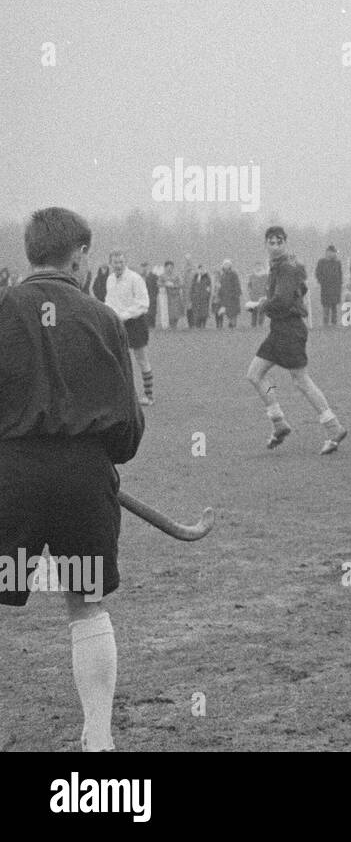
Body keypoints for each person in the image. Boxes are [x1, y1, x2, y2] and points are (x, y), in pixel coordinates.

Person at [0, 207, 145, 752]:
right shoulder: (105, 319)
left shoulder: (2, 309)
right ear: (79, 255)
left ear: (30, 252)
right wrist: (94, 457)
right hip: (83, 480)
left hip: (10, 478)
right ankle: (99, 743)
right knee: (86, 600)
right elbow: (128, 429)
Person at [245, 226, 347, 455]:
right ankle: (279, 422)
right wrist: (268, 300)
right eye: (271, 242)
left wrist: (261, 306)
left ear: (285, 243)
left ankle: (334, 427)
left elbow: (282, 300)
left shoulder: (286, 268)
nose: (275, 246)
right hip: (279, 329)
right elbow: (293, 293)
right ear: (265, 244)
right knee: (255, 374)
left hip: (290, 329)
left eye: (279, 241)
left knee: (301, 380)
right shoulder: (283, 266)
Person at [104, 251, 155, 405]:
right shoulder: (110, 279)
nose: (118, 265)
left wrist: (125, 315)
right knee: (119, 359)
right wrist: (108, 314)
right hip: (117, 324)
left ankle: (149, 395)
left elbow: (143, 303)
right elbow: (109, 300)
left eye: (121, 262)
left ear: (125, 262)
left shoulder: (135, 278)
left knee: (141, 358)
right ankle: (126, 396)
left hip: (135, 322)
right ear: (111, 263)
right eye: (115, 262)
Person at [315, 245, 344, 327]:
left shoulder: (337, 262)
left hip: (335, 288)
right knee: (326, 306)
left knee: (334, 306)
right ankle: (325, 323)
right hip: (325, 288)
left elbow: (340, 274)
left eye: (334, 253)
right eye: (332, 252)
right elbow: (318, 273)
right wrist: (322, 282)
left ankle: (334, 323)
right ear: (327, 252)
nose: (334, 254)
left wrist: (340, 284)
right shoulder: (321, 262)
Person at [215, 260, 241, 329]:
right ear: (223, 266)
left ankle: (233, 325)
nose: (226, 266)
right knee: (228, 312)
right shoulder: (222, 275)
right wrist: (219, 294)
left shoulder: (233, 274)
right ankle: (231, 324)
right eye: (225, 264)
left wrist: (236, 294)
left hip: (233, 296)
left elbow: (237, 285)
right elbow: (220, 285)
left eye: (228, 264)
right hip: (225, 297)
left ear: (230, 266)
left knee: (233, 312)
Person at [140, 263, 158, 328]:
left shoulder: (154, 276)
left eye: (145, 267)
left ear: (148, 267)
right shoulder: (139, 276)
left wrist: (154, 295)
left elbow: (157, 287)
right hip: (142, 298)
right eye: (142, 267)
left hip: (151, 297)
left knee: (152, 312)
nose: (144, 268)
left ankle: (152, 325)